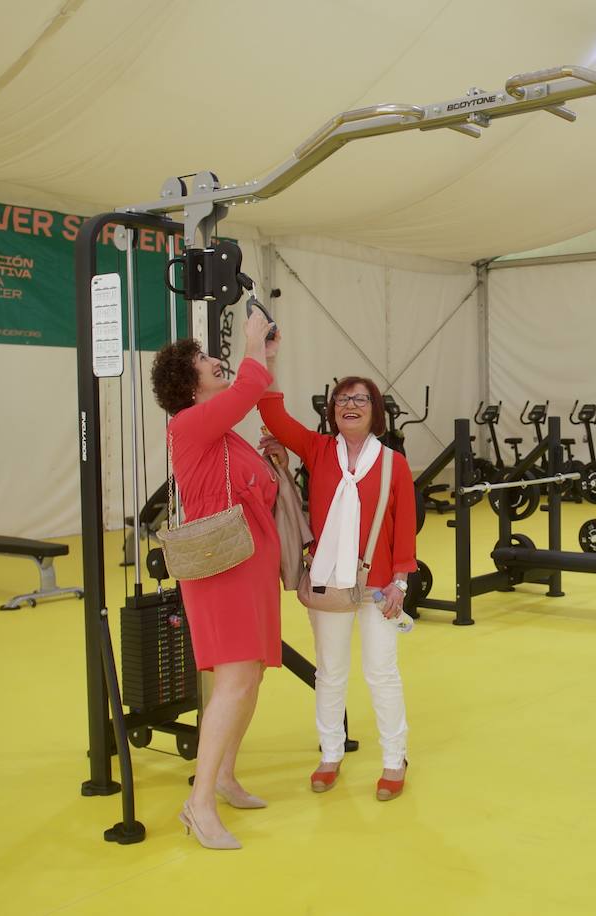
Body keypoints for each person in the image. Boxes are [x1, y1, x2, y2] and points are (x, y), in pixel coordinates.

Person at [257, 355, 417, 802]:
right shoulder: (318, 450)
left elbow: (404, 527)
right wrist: (268, 358)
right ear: (331, 411)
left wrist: (401, 585)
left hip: (380, 584)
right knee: (330, 674)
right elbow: (271, 413)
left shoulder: (393, 464)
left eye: (360, 398)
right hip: (328, 581)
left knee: (382, 673)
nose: (350, 405)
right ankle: (330, 753)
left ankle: (393, 758)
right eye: (342, 399)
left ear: (375, 410)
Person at [150, 310, 280, 849]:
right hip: (221, 567)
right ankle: (199, 804)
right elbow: (250, 388)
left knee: (250, 678)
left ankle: (224, 776)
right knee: (232, 681)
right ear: (189, 382)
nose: (215, 362)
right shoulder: (188, 423)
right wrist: (252, 343)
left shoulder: (221, 433)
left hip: (248, 563)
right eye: (205, 360)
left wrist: (264, 354)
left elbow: (256, 392)